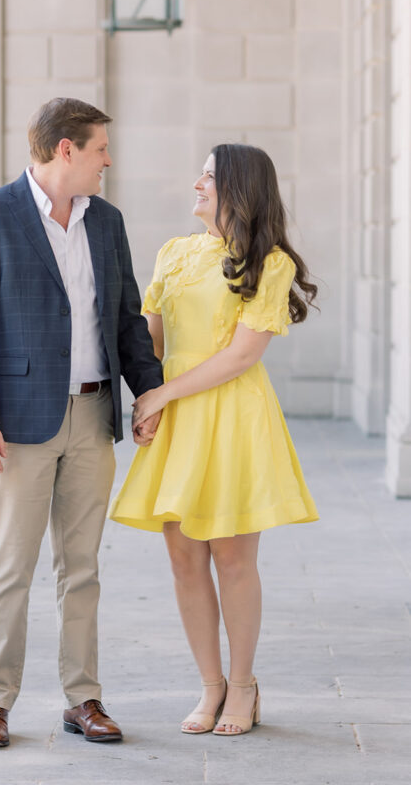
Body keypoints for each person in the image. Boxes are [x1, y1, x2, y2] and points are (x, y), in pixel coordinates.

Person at [0, 97, 164, 748]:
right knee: (9, 565)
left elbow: (127, 316)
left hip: (93, 414)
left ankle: (83, 698)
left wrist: (147, 392)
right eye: (100, 148)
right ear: (65, 150)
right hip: (17, 423)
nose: (108, 160)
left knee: (82, 567)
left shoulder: (108, 223)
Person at [109, 143, 319, 737]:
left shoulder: (268, 262)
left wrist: (162, 396)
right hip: (176, 417)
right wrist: (144, 396)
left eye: (209, 175)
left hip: (231, 415)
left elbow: (241, 356)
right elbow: (150, 339)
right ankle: (210, 683)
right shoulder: (173, 253)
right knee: (182, 557)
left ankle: (244, 685)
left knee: (231, 555)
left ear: (238, 189)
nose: (197, 182)